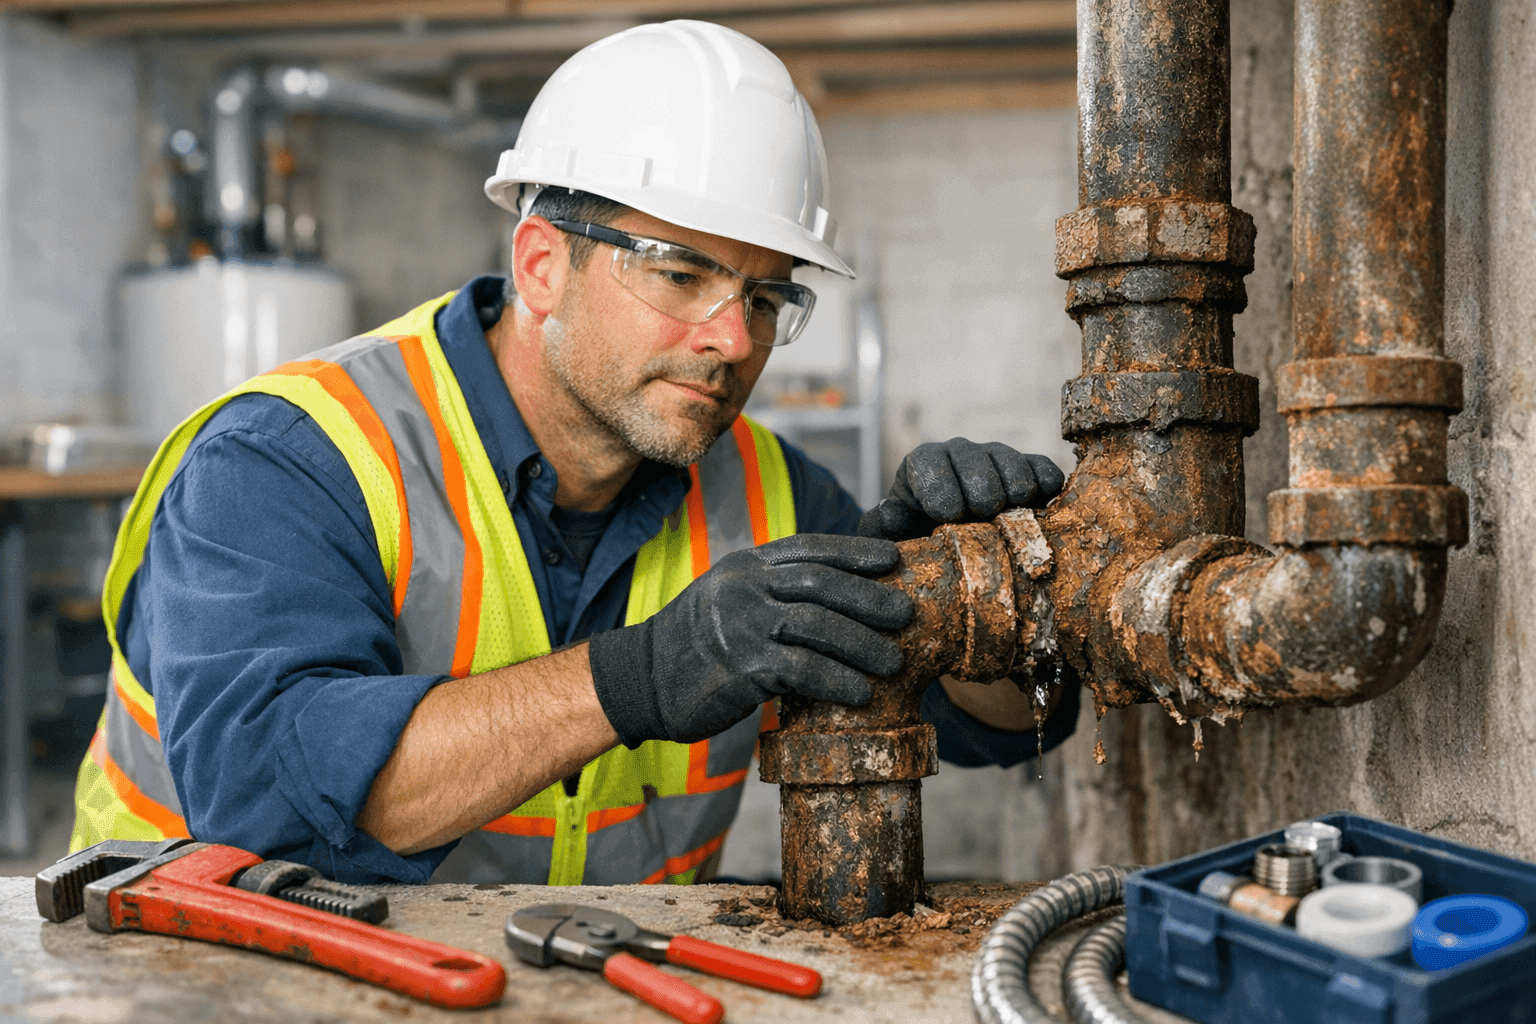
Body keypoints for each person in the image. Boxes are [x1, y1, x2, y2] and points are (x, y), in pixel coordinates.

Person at [70, 20, 1077, 885]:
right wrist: (641, 675)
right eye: (681, 275)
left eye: (767, 299)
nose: (733, 340)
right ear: (543, 265)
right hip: (205, 984)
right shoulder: (292, 459)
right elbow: (262, 801)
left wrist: (968, 601)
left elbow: (1001, 724)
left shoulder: (771, 493)